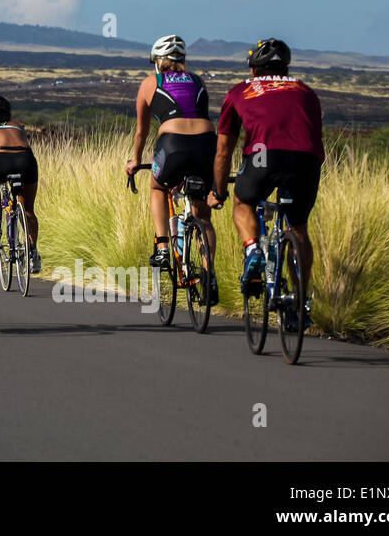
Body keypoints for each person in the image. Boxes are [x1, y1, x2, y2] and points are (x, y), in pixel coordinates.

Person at [208, 38, 323, 327]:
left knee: (243, 203)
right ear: (285, 69)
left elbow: (223, 151)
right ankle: (299, 301)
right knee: (298, 228)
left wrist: (219, 192)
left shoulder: (240, 91)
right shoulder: (306, 91)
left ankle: (252, 249)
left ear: (253, 70)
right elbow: (314, 141)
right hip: (304, 161)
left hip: (262, 158)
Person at [125, 35, 218, 301]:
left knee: (157, 187)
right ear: (183, 60)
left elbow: (142, 132)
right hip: (205, 144)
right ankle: (209, 275)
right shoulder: (199, 81)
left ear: (158, 62)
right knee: (203, 217)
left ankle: (163, 245)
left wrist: (135, 160)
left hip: (173, 144)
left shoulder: (150, 83)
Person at [0, 95, 41, 273]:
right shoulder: (18, 126)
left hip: (0, 159)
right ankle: (33, 251)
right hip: (26, 160)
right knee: (28, 210)